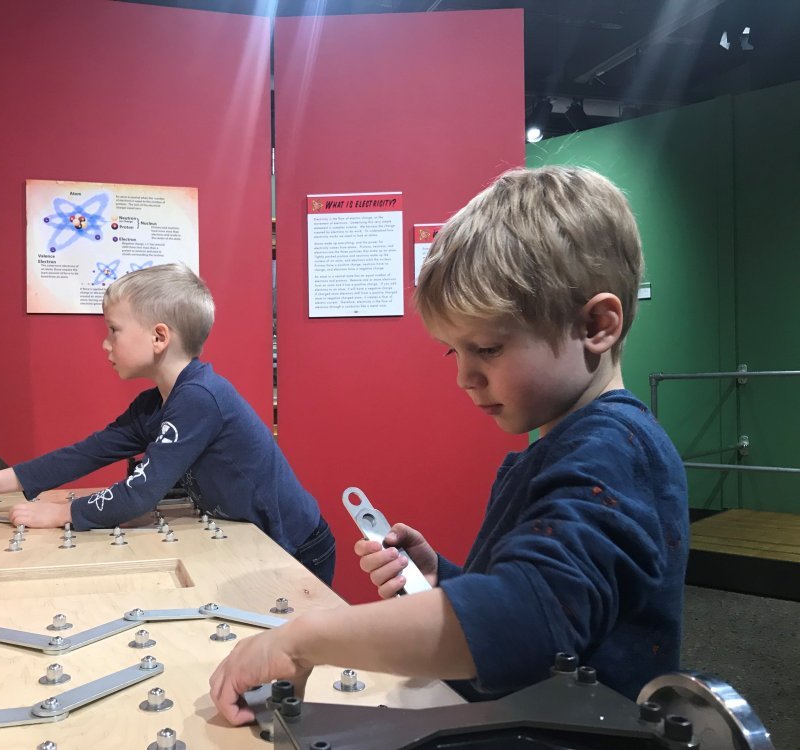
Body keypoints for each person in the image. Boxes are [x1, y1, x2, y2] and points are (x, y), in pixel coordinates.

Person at [209, 166, 688, 723]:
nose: (464, 377)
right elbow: (560, 600)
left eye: (486, 348)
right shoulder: (578, 444)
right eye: (452, 353)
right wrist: (445, 581)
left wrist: (302, 638)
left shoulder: (613, 451)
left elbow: (529, 623)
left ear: (597, 325)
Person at [0, 263, 336, 586]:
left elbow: (140, 494)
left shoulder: (200, 399)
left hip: (297, 548)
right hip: (257, 542)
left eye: (114, 330)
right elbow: (89, 451)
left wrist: (63, 514)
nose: (105, 344)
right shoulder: (157, 404)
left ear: (158, 337)